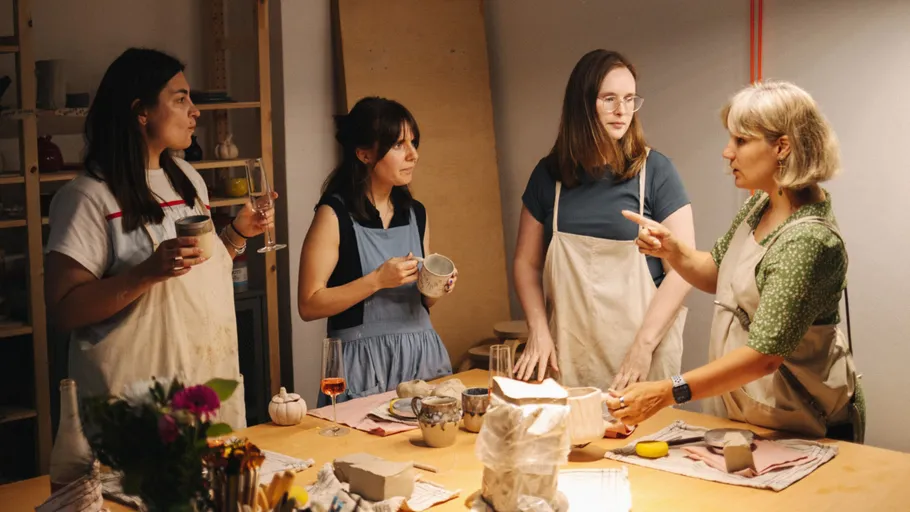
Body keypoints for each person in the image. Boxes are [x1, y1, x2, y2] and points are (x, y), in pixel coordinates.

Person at [607, 80, 864, 442]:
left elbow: (764, 356)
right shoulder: (761, 205)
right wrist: (673, 251)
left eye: (741, 141)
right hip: (758, 414)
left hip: (805, 424)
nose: (728, 152)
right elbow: (718, 273)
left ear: (782, 147)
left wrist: (667, 391)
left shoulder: (809, 240)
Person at [45, 48, 277, 429]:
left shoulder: (186, 178)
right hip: (134, 397)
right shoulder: (88, 196)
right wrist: (147, 272)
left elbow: (197, 275)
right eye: (181, 98)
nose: (195, 111)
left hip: (201, 383)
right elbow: (64, 311)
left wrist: (236, 234)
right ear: (142, 111)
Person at [512, 49, 694, 389]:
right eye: (608, 98)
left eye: (629, 99)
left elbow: (684, 271)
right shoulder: (548, 176)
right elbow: (526, 263)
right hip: (568, 354)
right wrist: (538, 329)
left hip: (640, 357)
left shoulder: (656, 172)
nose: (621, 110)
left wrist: (643, 346)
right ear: (582, 104)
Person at [298, 97, 456, 405]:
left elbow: (425, 302)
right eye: (399, 145)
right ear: (364, 154)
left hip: (422, 357)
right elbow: (308, 304)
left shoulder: (416, 213)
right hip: (362, 363)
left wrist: (438, 285)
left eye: (414, 142)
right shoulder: (334, 215)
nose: (414, 155)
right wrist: (378, 280)